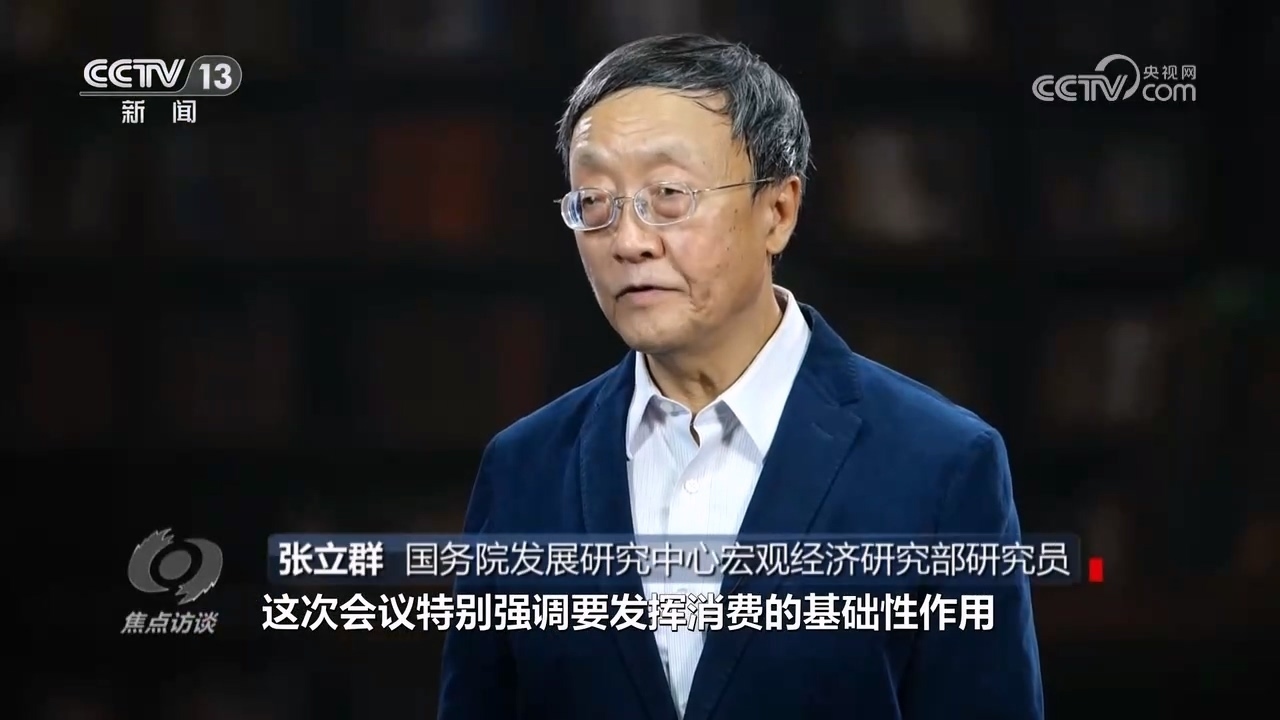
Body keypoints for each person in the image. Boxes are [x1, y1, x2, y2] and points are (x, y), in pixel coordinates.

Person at [439, 33, 1044, 720]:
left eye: (669, 194)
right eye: (595, 201)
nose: (628, 241)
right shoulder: (524, 469)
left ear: (777, 212)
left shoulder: (940, 464)